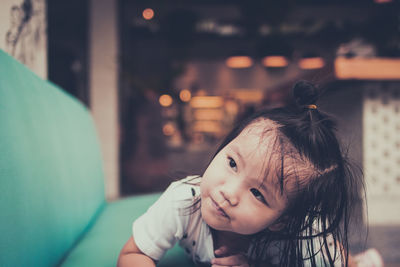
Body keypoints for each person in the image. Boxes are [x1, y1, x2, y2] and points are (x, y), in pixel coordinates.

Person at [118, 81, 363, 267]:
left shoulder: (300, 234)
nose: (229, 193)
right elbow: (133, 254)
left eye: (257, 193)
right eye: (233, 163)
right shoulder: (184, 199)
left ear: (280, 221)